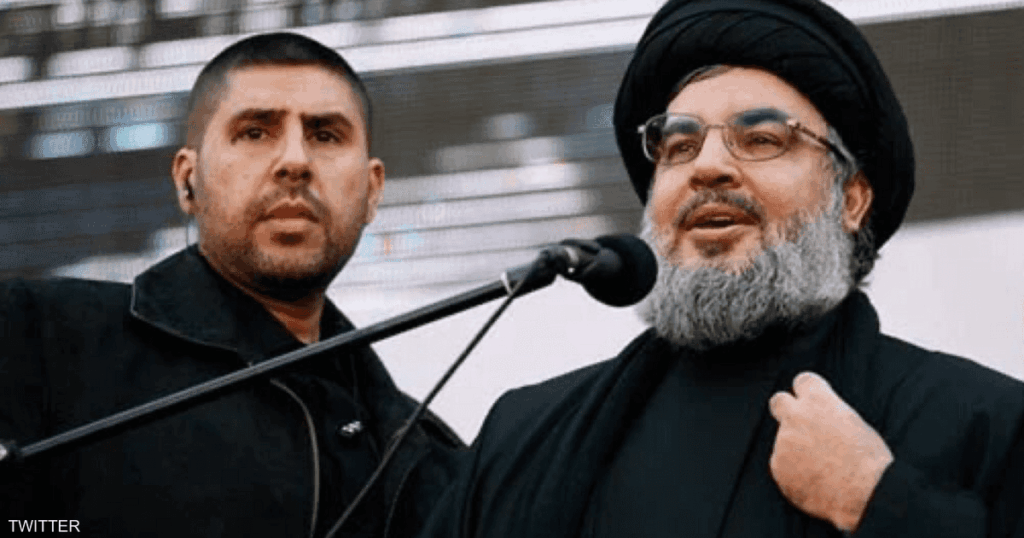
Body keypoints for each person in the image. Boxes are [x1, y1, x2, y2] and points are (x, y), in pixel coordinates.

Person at [417, 1, 1024, 537]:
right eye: (679, 146)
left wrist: (880, 502)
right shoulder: (524, 439)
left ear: (850, 200)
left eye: (761, 139)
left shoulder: (984, 426)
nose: (707, 167)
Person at [0, 32, 464, 538]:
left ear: (372, 191)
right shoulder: (38, 337)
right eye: (255, 132)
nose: (295, 161)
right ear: (188, 180)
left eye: (326, 135)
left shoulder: (432, 459)